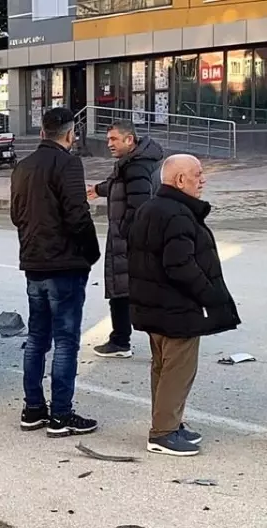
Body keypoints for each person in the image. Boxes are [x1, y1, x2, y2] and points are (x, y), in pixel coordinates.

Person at [127, 154, 239, 456]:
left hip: (154, 306)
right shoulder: (177, 213)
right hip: (176, 308)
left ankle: (169, 424)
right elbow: (180, 266)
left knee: (163, 370)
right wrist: (211, 296)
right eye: (197, 174)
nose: (202, 180)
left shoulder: (150, 208)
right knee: (177, 371)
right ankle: (162, 433)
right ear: (179, 180)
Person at [10, 107, 101, 437]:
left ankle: (33, 408)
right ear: (70, 134)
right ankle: (60, 415)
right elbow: (78, 215)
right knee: (65, 341)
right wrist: (91, 252)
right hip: (64, 264)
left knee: (36, 338)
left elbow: (16, 215)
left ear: (41, 133)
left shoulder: (22, 167)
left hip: (34, 262)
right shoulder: (69, 163)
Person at [87, 120, 164, 359]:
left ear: (129, 139)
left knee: (130, 293)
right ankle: (121, 340)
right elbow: (119, 185)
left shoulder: (136, 167)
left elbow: (139, 205)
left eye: (114, 139)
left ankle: (135, 342)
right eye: (108, 139)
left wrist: (126, 232)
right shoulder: (132, 162)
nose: (109, 144)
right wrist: (99, 189)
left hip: (129, 241)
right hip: (128, 239)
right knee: (123, 292)